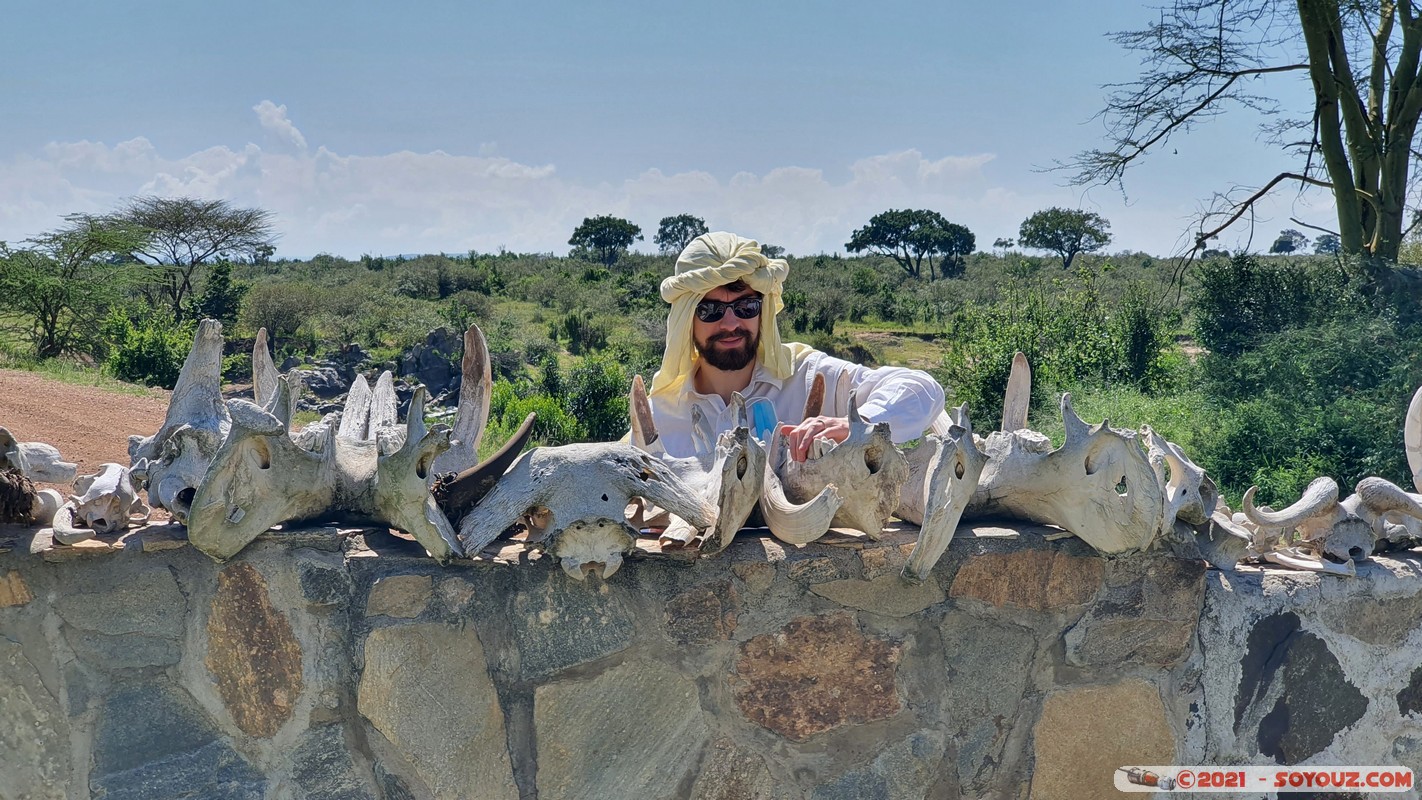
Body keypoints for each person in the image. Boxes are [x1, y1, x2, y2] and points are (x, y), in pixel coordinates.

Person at [648, 231, 947, 462]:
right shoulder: (661, 414)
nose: (730, 324)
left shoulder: (806, 375)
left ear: (763, 312)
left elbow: (921, 387)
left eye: (747, 307)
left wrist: (857, 424)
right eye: (710, 311)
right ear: (687, 319)